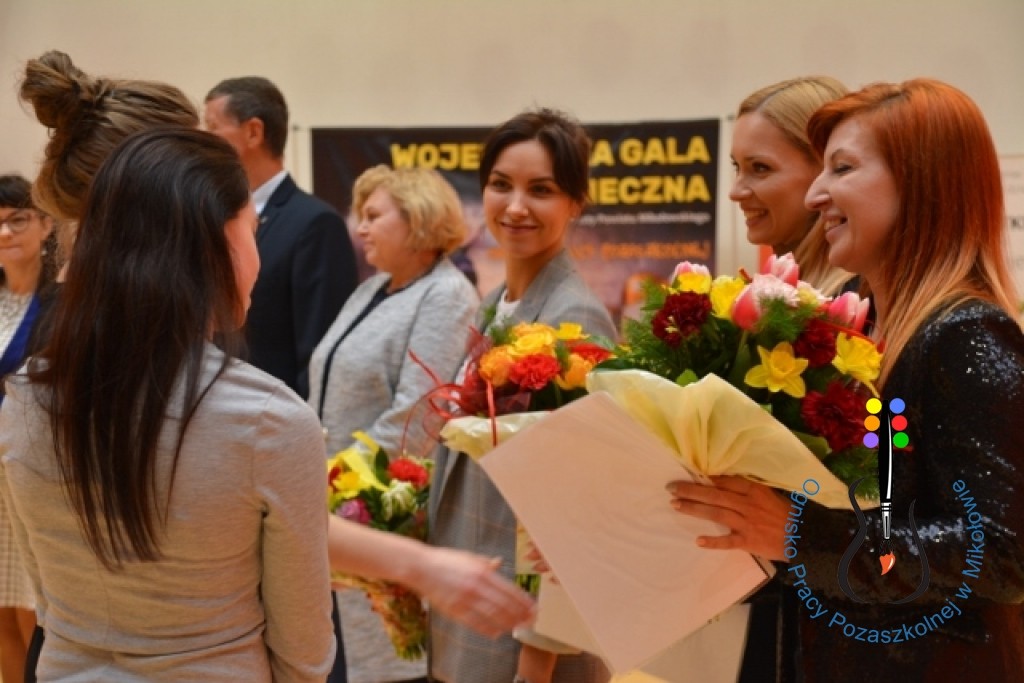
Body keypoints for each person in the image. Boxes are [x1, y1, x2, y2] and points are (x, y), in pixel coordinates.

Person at [668, 78, 1024, 681]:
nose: (814, 196)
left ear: (919, 182)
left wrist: (800, 534)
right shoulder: (871, 327)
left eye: (841, 169)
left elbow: (1002, 552)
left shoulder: (966, 333)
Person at [0, 127, 336, 680]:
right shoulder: (270, 420)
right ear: (219, 244)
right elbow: (303, 648)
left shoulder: (25, 398)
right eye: (252, 230)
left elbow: (48, 600)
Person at [429, 108, 617, 683]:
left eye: (541, 190)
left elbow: (579, 507)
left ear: (575, 203)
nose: (515, 206)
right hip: (477, 612)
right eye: (500, 184)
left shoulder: (573, 318)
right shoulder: (496, 305)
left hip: (526, 643)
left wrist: (537, 662)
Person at [307, 165, 479, 683]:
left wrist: (337, 481)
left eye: (373, 215)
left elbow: (418, 415)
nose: (360, 228)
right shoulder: (372, 289)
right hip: (336, 502)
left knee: (388, 664)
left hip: (385, 508)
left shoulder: (446, 294)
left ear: (417, 218)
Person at [204, 76, 358, 400]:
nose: (204, 139)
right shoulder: (213, 217)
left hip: (276, 411)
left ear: (253, 132)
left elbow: (319, 345)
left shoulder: (315, 222)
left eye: (213, 127)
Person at [0, 175, 57, 683]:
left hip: (29, 473)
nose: (4, 233)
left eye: (17, 220)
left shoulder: (63, 302)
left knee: (30, 608)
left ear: (45, 225)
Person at [730, 76, 853, 295]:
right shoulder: (779, 295)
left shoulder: (860, 301)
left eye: (760, 168)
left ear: (825, 167)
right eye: (736, 166)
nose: (735, 192)